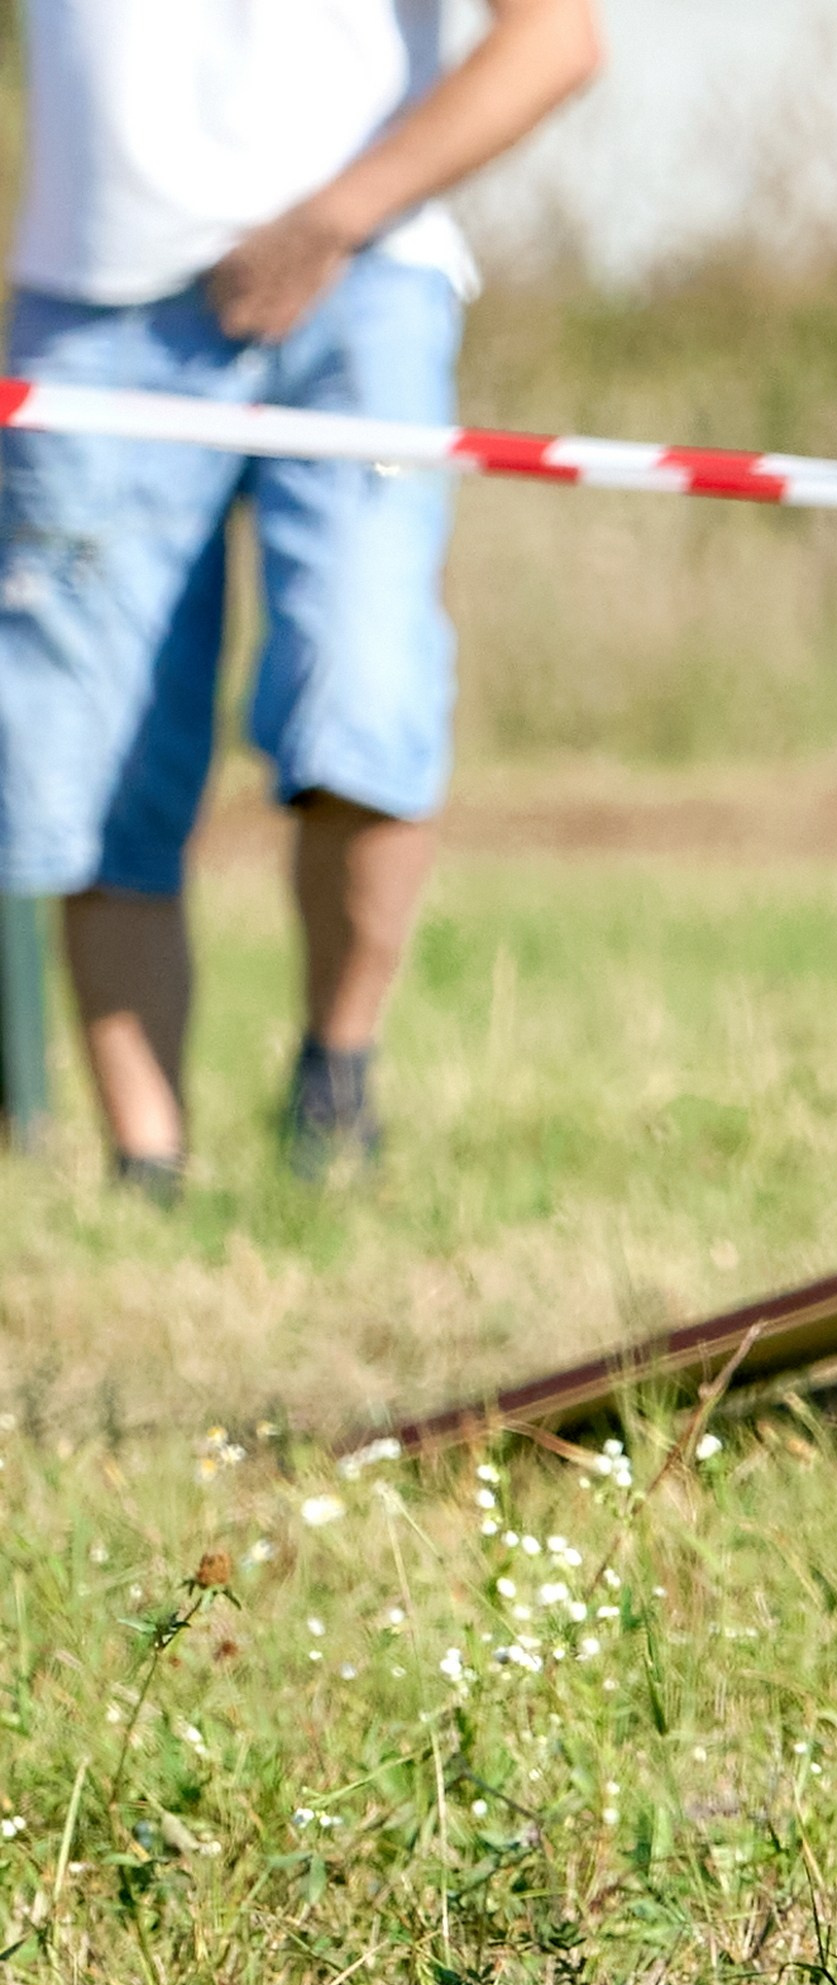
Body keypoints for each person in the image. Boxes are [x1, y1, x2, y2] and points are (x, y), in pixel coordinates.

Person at [0, 0, 602, 1189]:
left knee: (364, 694)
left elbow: (556, 37)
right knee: (97, 753)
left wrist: (333, 219)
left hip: (363, 280)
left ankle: (335, 1084)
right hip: (89, 291)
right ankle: (146, 1172)